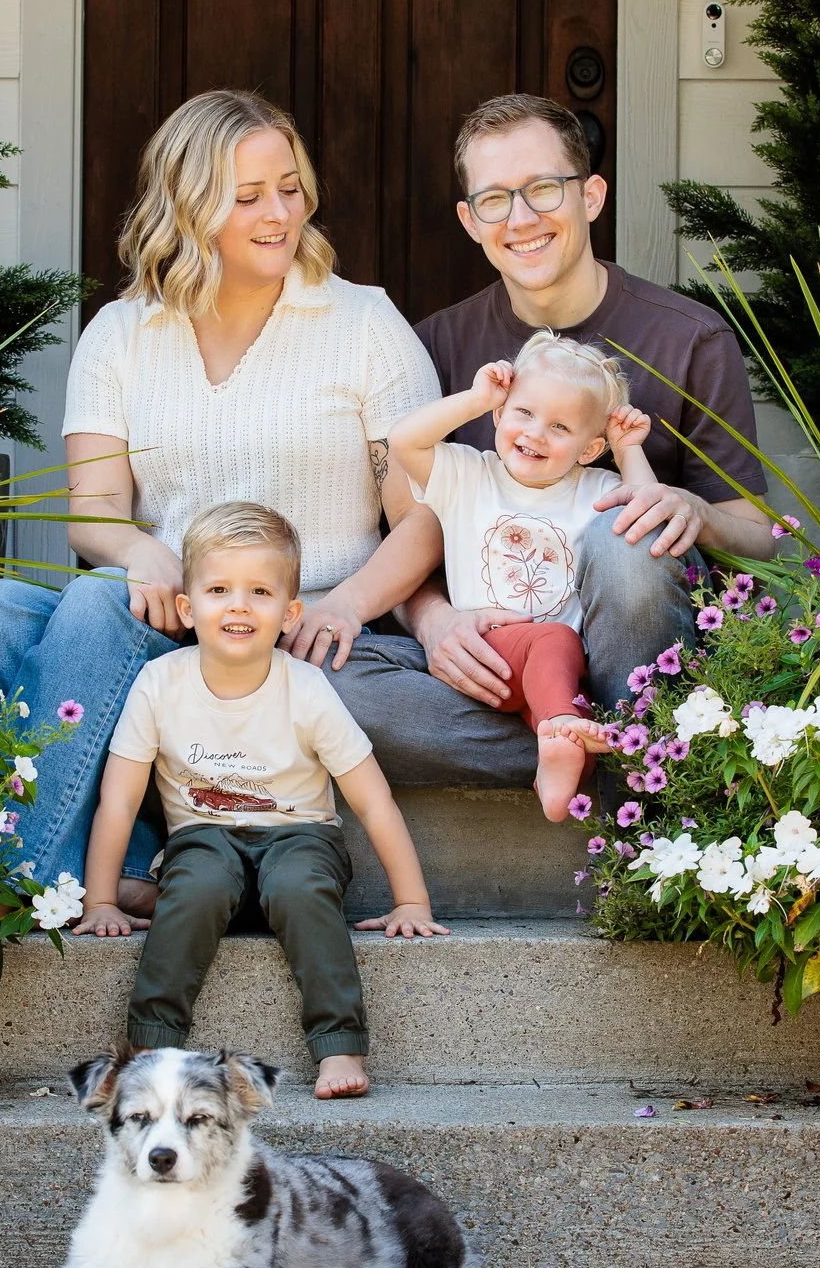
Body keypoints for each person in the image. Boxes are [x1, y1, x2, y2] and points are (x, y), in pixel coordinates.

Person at [0, 91, 438, 906]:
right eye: (248, 197)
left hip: (287, 623)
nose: (280, 214)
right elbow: (93, 506)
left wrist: (350, 603)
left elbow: (423, 517)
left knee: (91, 606)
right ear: (187, 208)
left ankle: (7, 875)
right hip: (174, 619)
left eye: (290, 188)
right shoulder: (122, 333)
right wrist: (140, 550)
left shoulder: (364, 324)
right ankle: (131, 865)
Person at [330, 93, 777, 789]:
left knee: (629, 538)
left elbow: (758, 538)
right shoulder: (435, 347)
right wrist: (433, 621)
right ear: (470, 221)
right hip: (497, 662)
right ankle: (623, 756)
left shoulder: (690, 339)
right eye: (495, 199)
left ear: (591, 196)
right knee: (332, 685)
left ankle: (616, 743)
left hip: (633, 653)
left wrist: (693, 511)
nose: (521, 219)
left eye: (542, 188)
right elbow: (412, 531)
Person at [72, 504, 442, 1101]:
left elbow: (374, 802)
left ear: (290, 613)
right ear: (187, 608)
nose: (239, 606)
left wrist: (411, 901)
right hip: (202, 841)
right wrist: (100, 901)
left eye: (261, 592)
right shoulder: (159, 684)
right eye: (219, 590)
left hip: (300, 839)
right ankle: (149, 1047)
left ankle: (339, 1045)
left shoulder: (307, 688)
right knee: (195, 886)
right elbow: (118, 802)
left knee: (298, 887)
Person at [387, 332, 654, 819]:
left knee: (577, 718)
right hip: (485, 650)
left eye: (560, 426)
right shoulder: (467, 474)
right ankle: (558, 726)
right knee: (553, 641)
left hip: (558, 671)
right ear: (499, 414)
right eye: (523, 412)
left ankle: (556, 771)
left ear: (590, 448)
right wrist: (475, 398)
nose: (535, 433)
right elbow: (403, 439)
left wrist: (629, 450)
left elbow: (644, 514)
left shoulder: (597, 488)